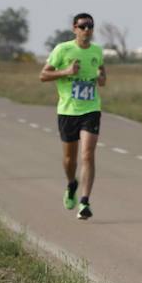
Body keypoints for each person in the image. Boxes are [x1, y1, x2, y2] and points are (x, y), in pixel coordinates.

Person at [42, 13, 105, 219]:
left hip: (91, 109)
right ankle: (71, 184)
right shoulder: (63, 49)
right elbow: (43, 75)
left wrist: (101, 77)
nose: (87, 30)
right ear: (74, 28)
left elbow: (102, 78)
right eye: (83, 26)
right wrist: (66, 71)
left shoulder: (97, 51)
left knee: (87, 154)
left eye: (90, 26)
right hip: (68, 110)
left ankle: (85, 202)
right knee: (70, 159)